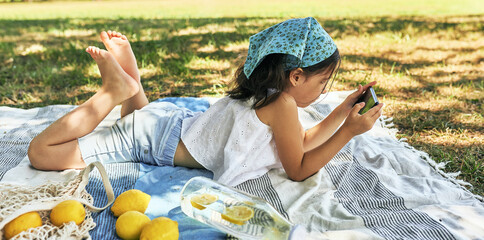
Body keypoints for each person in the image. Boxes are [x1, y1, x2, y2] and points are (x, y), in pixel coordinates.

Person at [28, 17, 383, 186]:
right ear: (295, 76)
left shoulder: (271, 97)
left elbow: (301, 144)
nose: (323, 92)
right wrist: (349, 132)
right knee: (41, 152)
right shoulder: (283, 106)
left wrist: (342, 112)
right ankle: (113, 92)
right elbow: (299, 168)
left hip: (164, 124)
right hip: (152, 137)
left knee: (138, 117)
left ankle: (130, 82)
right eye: (322, 83)